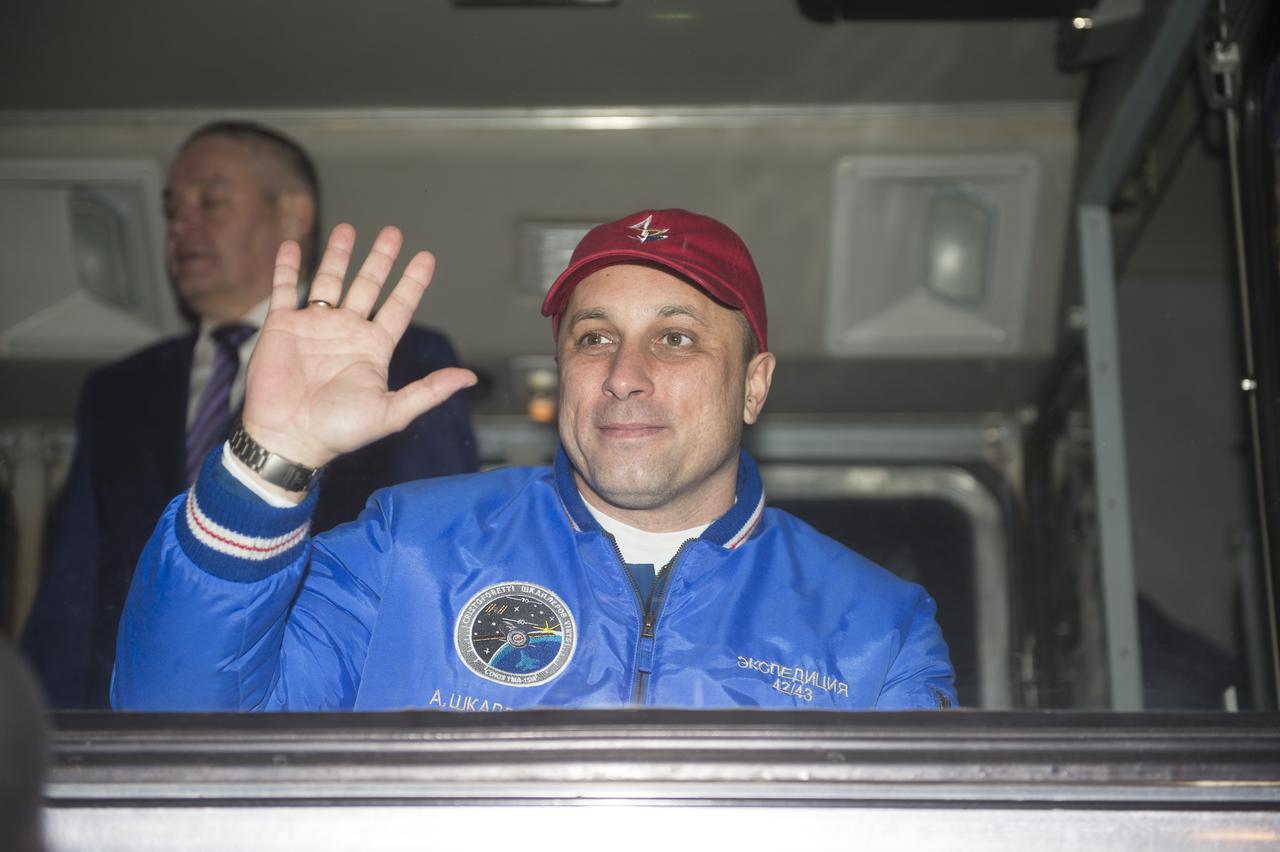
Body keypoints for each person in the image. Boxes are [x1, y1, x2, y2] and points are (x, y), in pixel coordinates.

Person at [112, 209, 955, 712]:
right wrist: (272, 462)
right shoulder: (406, 549)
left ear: (753, 387)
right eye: (595, 339)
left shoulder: (878, 629)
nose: (625, 376)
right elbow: (174, 723)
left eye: (676, 338)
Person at [21, 122, 478, 710]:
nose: (181, 227)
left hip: (317, 702)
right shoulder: (118, 390)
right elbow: (73, 582)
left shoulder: (401, 358)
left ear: (292, 214)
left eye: (210, 201)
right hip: (125, 710)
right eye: (172, 209)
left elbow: (429, 554)